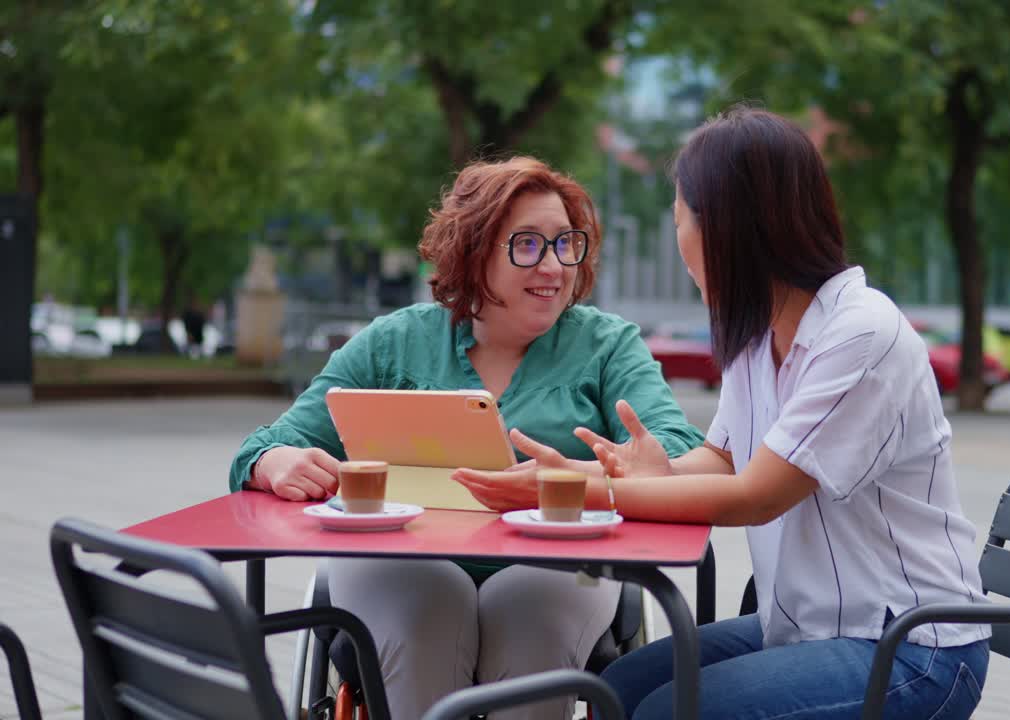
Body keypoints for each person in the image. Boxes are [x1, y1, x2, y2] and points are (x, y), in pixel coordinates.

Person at [457, 108, 990, 719]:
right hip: (806, 623)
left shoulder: (860, 336)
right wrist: (582, 478)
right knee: (623, 687)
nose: (679, 242)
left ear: (732, 228)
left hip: (911, 648)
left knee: (664, 713)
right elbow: (722, 458)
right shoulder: (761, 334)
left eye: (681, 217)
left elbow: (754, 495)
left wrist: (584, 493)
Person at [228, 156, 705, 720]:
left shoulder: (608, 346)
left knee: (531, 614)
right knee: (426, 608)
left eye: (564, 244)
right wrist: (275, 461)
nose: (553, 265)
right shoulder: (393, 343)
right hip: (402, 562)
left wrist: (595, 476)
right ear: (473, 252)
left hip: (561, 563)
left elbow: (676, 448)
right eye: (526, 245)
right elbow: (260, 450)